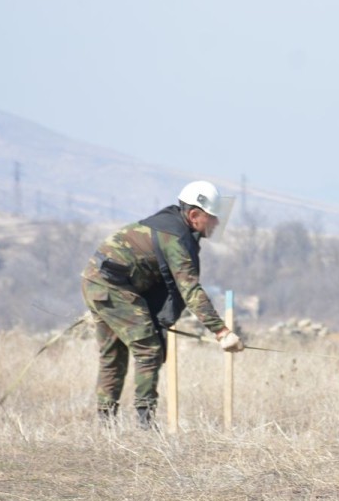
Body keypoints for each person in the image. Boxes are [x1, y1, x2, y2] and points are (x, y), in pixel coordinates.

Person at [81, 180, 244, 427]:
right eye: (212, 217)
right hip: (111, 287)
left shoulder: (171, 225)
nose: (217, 222)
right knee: (148, 350)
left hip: (97, 283)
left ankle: (106, 424)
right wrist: (221, 331)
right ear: (194, 215)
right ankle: (145, 423)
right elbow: (190, 290)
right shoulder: (175, 237)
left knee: (113, 354)